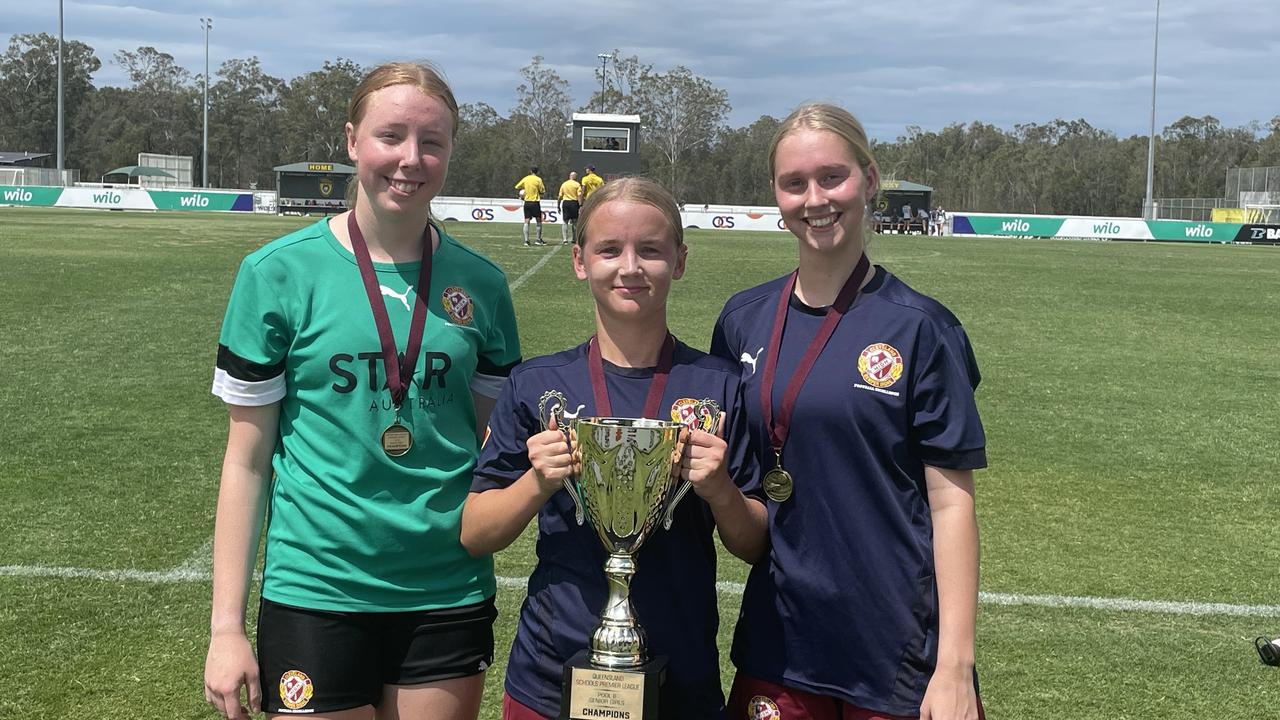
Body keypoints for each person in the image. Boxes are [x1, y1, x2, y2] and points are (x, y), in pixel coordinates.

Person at [203, 61, 522, 720]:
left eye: (431, 142)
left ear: (450, 151)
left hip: (445, 590)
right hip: (315, 590)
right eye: (391, 136)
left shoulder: (482, 286)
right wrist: (225, 629)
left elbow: (496, 452)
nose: (411, 158)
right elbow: (245, 460)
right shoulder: (276, 274)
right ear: (352, 141)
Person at [712, 103, 987, 720]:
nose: (815, 199)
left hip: (897, 649)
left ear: (869, 177)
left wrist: (955, 667)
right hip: (781, 645)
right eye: (794, 183)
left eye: (832, 177)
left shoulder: (923, 329)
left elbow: (951, 504)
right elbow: (751, 503)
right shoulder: (741, 321)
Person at [461, 177, 768, 720]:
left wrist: (719, 490)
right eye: (609, 249)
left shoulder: (718, 386)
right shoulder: (537, 384)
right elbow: (476, 532)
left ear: (679, 260)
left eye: (649, 249)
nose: (630, 267)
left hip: (680, 679)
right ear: (579, 261)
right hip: (550, 678)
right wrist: (538, 482)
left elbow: (754, 543)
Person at [516, 166, 547, 246]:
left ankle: (526, 240)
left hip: (527, 202)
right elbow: (542, 191)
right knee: (538, 221)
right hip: (535, 202)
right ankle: (538, 240)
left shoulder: (526, 178)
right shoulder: (538, 179)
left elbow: (517, 186)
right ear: (537, 172)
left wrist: (524, 192)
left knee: (526, 221)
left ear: (530, 171)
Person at [557, 170, 583, 245]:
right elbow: (579, 196)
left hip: (566, 203)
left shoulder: (564, 184)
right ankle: (574, 238)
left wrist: (558, 205)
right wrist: (580, 205)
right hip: (574, 203)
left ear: (569, 176)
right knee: (575, 222)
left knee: (565, 221)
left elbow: (560, 196)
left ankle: (565, 239)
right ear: (575, 177)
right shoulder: (577, 184)